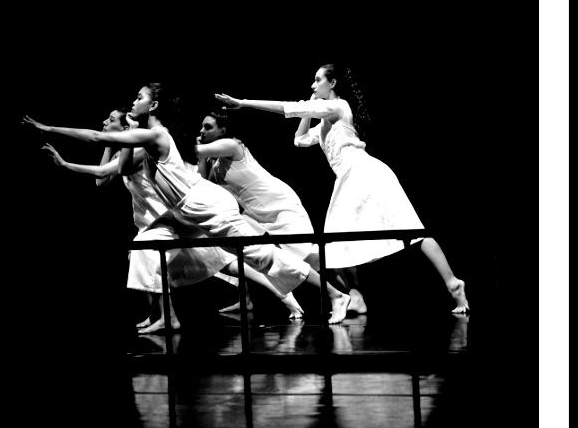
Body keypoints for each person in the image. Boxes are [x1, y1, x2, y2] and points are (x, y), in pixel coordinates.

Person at [25, 83, 350, 322]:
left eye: (139, 97)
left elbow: (98, 138)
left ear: (153, 107)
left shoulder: (157, 135)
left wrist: (49, 128)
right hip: (183, 216)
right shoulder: (150, 136)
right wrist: (69, 158)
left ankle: (336, 295)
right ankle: (168, 317)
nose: (133, 101)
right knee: (155, 252)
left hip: (204, 207)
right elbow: (117, 166)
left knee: (262, 256)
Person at [215, 63, 470, 323]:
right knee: (336, 243)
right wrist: (309, 106)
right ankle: (355, 296)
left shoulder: (339, 107)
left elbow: (287, 108)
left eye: (317, 80)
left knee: (410, 231)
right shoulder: (326, 120)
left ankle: (453, 284)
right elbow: (299, 140)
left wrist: (243, 103)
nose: (313, 86)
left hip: (365, 172)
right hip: (350, 177)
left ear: (332, 83)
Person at [196, 111, 324, 318]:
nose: (202, 131)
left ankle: (346, 294)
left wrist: (155, 140)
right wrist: (203, 159)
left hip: (278, 204)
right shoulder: (215, 161)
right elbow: (203, 186)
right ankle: (246, 300)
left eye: (208, 127)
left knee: (308, 256)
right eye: (202, 127)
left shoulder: (232, 145)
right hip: (255, 213)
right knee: (241, 250)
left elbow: (193, 151)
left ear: (223, 131)